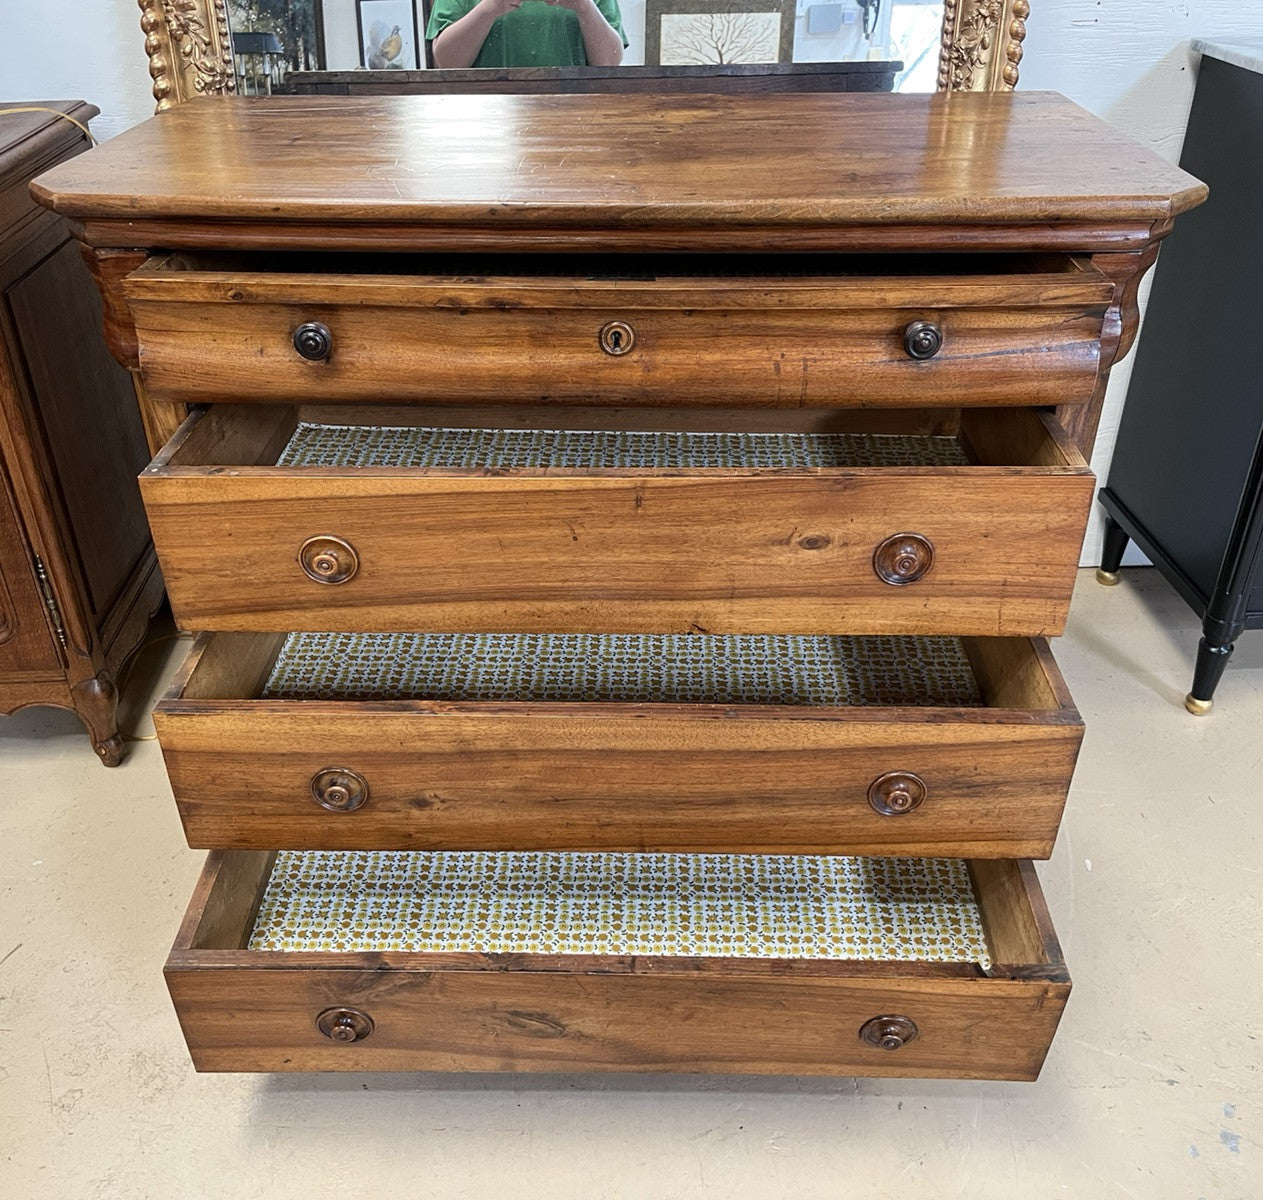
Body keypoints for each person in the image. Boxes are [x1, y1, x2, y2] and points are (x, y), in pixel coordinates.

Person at [427, 0, 627, 69]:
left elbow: (609, 64)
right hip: (487, 117)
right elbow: (447, 62)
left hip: (577, 113)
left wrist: (585, 7)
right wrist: (488, 8)